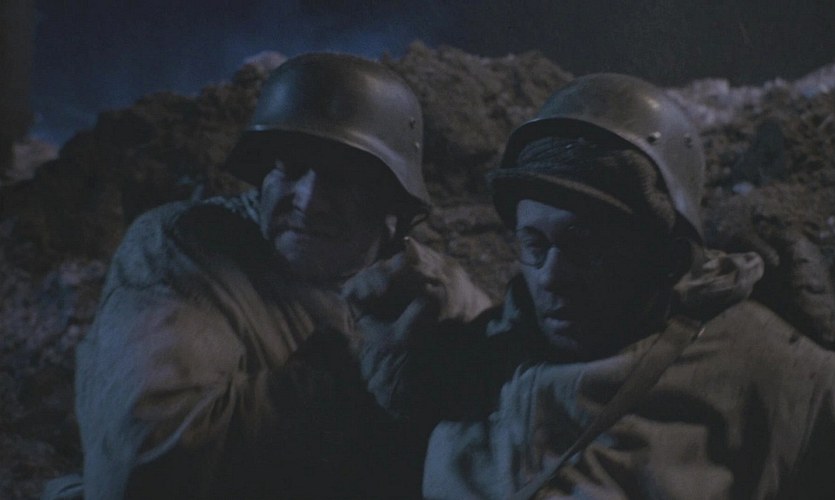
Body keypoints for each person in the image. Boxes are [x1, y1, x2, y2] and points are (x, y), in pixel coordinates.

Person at [353, 73, 835, 499]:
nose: (551, 276)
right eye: (534, 244)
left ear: (665, 255)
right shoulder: (485, 354)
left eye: (584, 247)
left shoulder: (761, 365)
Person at [44, 52, 490, 499]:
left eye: (341, 179)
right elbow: (144, 462)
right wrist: (351, 375)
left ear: (391, 205)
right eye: (290, 168)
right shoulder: (188, 250)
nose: (308, 200)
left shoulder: (431, 289)